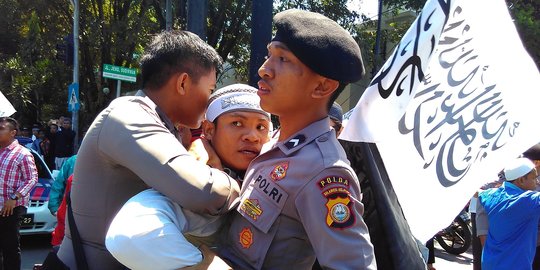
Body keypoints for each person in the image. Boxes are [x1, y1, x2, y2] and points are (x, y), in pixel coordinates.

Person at [56, 30, 240, 270]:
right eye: (210, 89)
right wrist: (235, 182)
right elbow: (201, 192)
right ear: (183, 83)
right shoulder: (127, 116)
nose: (209, 100)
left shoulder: (165, 125)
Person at [215, 9, 376, 269]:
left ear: (322, 87)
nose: (264, 69)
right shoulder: (276, 141)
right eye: (269, 55)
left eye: (283, 59)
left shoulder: (323, 171)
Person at [105, 84, 272, 269]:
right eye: (237, 123)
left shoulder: (278, 179)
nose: (252, 136)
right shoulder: (195, 190)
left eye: (261, 126)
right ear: (209, 130)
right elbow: (130, 235)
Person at [478, 157, 540, 269]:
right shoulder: (529, 201)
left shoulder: (491, 195)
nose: (537, 181)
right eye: (534, 178)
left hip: (490, 263)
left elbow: (478, 193)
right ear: (521, 180)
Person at [0, 117, 38, 270]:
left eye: (1, 128)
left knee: (10, 248)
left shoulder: (22, 154)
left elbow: (32, 178)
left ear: (13, 133)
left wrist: (14, 198)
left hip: (11, 208)